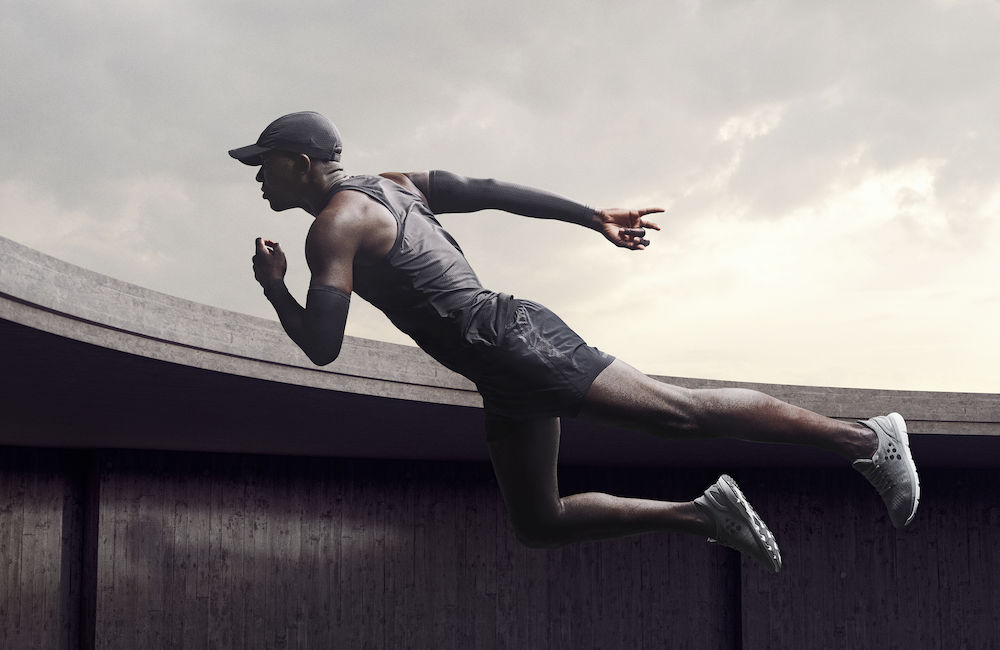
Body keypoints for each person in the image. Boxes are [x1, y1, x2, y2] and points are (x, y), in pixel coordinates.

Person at [229, 111, 920, 573]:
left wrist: (273, 286)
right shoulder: (394, 185)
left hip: (511, 341)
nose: (258, 177)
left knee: (678, 414)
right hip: (500, 368)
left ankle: (867, 439)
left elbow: (323, 346)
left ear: (299, 161)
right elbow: (491, 190)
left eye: (265, 165)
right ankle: (703, 514)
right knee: (541, 521)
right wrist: (590, 216)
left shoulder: (333, 228)